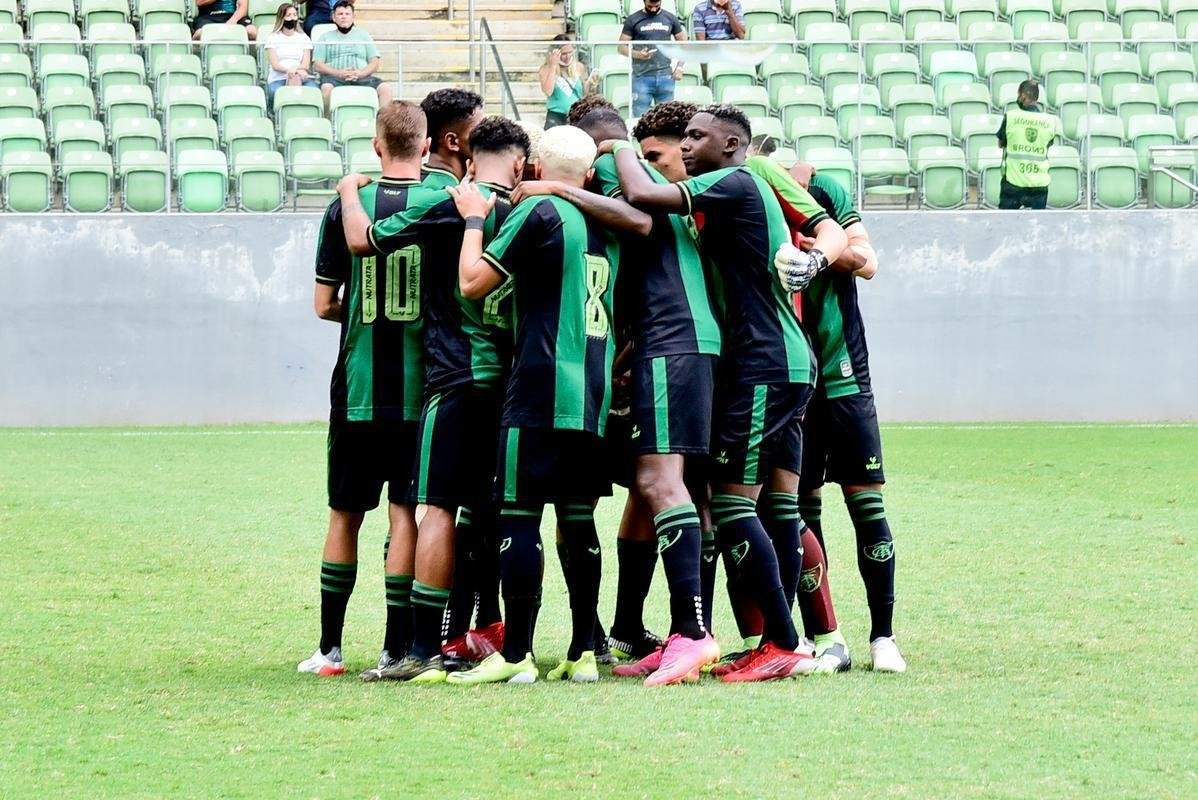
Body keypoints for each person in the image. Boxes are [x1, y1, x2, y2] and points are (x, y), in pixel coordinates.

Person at [606, 104, 850, 682]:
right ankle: (774, 639)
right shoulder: (733, 188)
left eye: (698, 137)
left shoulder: (736, 181)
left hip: (767, 364)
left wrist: (615, 145)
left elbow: (644, 194)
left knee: (736, 503)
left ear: (734, 144)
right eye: (683, 137)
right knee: (758, 504)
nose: (687, 147)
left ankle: (787, 641)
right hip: (772, 362)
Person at [444, 126, 651, 686]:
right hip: (592, 396)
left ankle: (515, 657)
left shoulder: (539, 215)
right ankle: (585, 650)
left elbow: (471, 283)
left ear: (533, 167)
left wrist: (471, 219)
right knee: (579, 522)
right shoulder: (608, 224)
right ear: (586, 177)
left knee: (520, 519)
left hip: (536, 390)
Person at [335, 117, 533, 683]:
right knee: (492, 512)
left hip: (455, 379)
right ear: (520, 165)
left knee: (437, 510)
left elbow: (363, 239)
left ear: (471, 160)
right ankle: (487, 634)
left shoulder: (451, 205)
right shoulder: (534, 212)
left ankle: (422, 649)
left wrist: (350, 189)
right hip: (514, 386)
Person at [567, 102, 726, 684]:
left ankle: (690, 633)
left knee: (660, 481)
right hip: (685, 343)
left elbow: (638, 225)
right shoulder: (660, 180)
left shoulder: (613, 161)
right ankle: (641, 629)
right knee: (653, 485)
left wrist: (558, 191)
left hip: (672, 342)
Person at [296, 101, 430, 678]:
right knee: (405, 515)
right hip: (422, 392)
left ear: (378, 147)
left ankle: (329, 649)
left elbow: (324, 304)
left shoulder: (343, 207)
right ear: (425, 148)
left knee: (344, 515)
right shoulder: (443, 202)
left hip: (356, 390)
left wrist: (362, 311)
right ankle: (395, 647)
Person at [772, 158, 907, 674]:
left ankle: (884, 636)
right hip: (788, 380)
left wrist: (820, 255)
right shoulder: (745, 199)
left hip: (845, 376)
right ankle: (822, 635)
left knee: (864, 502)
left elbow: (868, 261)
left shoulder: (823, 190)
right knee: (802, 510)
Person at [313, 0, 393, 113]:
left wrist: (361, 73)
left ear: (353, 16)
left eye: (347, 14)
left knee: (386, 89)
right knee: (326, 88)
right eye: (340, 14)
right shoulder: (325, 37)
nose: (343, 17)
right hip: (334, 79)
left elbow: (374, 62)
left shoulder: (364, 35)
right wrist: (339, 73)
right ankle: (328, 124)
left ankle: (382, 126)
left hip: (362, 77)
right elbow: (318, 65)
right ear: (333, 17)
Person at [997, 79, 1057, 210]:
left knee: (1004, 226)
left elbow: (1001, 143)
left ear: (1023, 95)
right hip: (1039, 184)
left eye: (1019, 95)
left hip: (1013, 183)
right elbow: (1047, 144)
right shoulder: (1050, 121)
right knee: (1036, 226)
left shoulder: (1011, 117)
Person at [620, 0, 687, 117]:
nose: (653, 9)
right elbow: (621, 47)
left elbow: (685, 45)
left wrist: (680, 67)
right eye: (650, 6)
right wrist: (638, 54)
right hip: (641, 77)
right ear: (644, 1)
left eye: (657, 6)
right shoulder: (633, 19)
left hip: (665, 76)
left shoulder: (670, 18)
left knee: (667, 119)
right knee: (640, 118)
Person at [419, 88, 485, 189]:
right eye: (480, 130)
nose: (488, 135)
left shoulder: (414, 181)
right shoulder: (452, 198)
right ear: (452, 142)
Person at [540, 34, 600, 130]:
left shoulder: (579, 67)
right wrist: (553, 66)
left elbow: (584, 93)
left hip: (577, 114)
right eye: (564, 54)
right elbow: (548, 91)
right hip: (556, 116)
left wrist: (592, 83)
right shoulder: (546, 69)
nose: (568, 56)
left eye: (570, 52)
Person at [264, 3, 317, 108]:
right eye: (288, 15)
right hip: (278, 77)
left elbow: (306, 65)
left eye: (294, 15)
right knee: (275, 91)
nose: (292, 18)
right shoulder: (273, 38)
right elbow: (275, 64)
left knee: (313, 89)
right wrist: (289, 70)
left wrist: (295, 70)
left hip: (301, 76)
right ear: (281, 18)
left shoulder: (304, 38)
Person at [191, 0, 256, 41]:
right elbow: (199, 2)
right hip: (208, 17)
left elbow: (243, 7)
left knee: (252, 31)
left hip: (232, 16)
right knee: (200, 33)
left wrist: (233, 20)